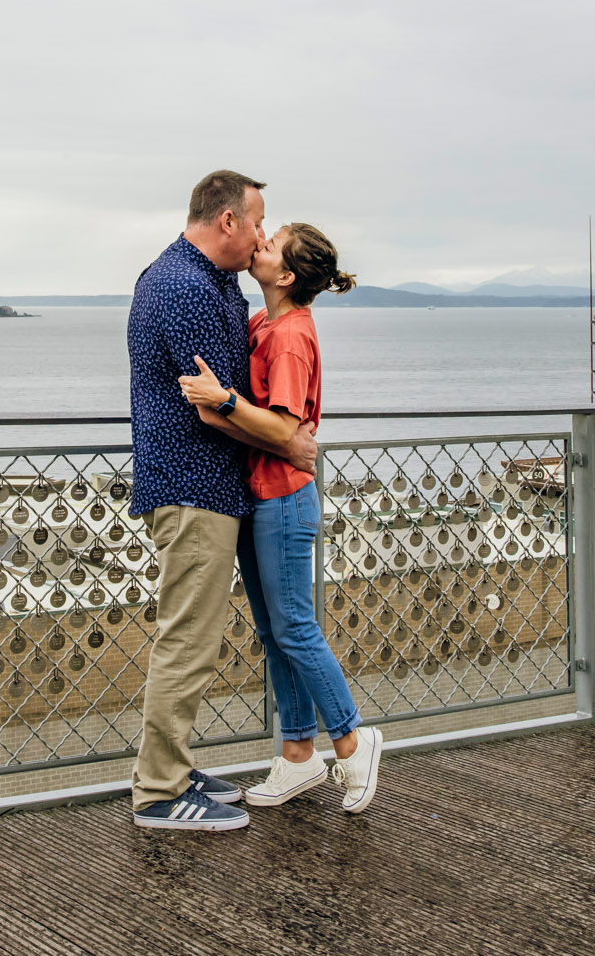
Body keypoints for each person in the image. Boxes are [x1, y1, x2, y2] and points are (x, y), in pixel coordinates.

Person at [127, 170, 317, 831]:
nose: (264, 234)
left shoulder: (207, 282)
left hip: (206, 485)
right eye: (258, 220)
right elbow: (214, 408)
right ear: (228, 221)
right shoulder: (184, 287)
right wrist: (292, 443)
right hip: (190, 485)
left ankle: (173, 768)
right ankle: (158, 791)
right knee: (188, 642)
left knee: (196, 638)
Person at [177, 221, 382, 814]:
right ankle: (298, 756)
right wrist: (219, 411)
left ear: (286, 276)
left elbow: (285, 431)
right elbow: (254, 418)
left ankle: (350, 738)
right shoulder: (263, 322)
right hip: (261, 494)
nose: (259, 244)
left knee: (294, 627)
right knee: (274, 632)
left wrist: (222, 403)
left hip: (284, 500)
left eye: (271, 244)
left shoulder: (289, 335)